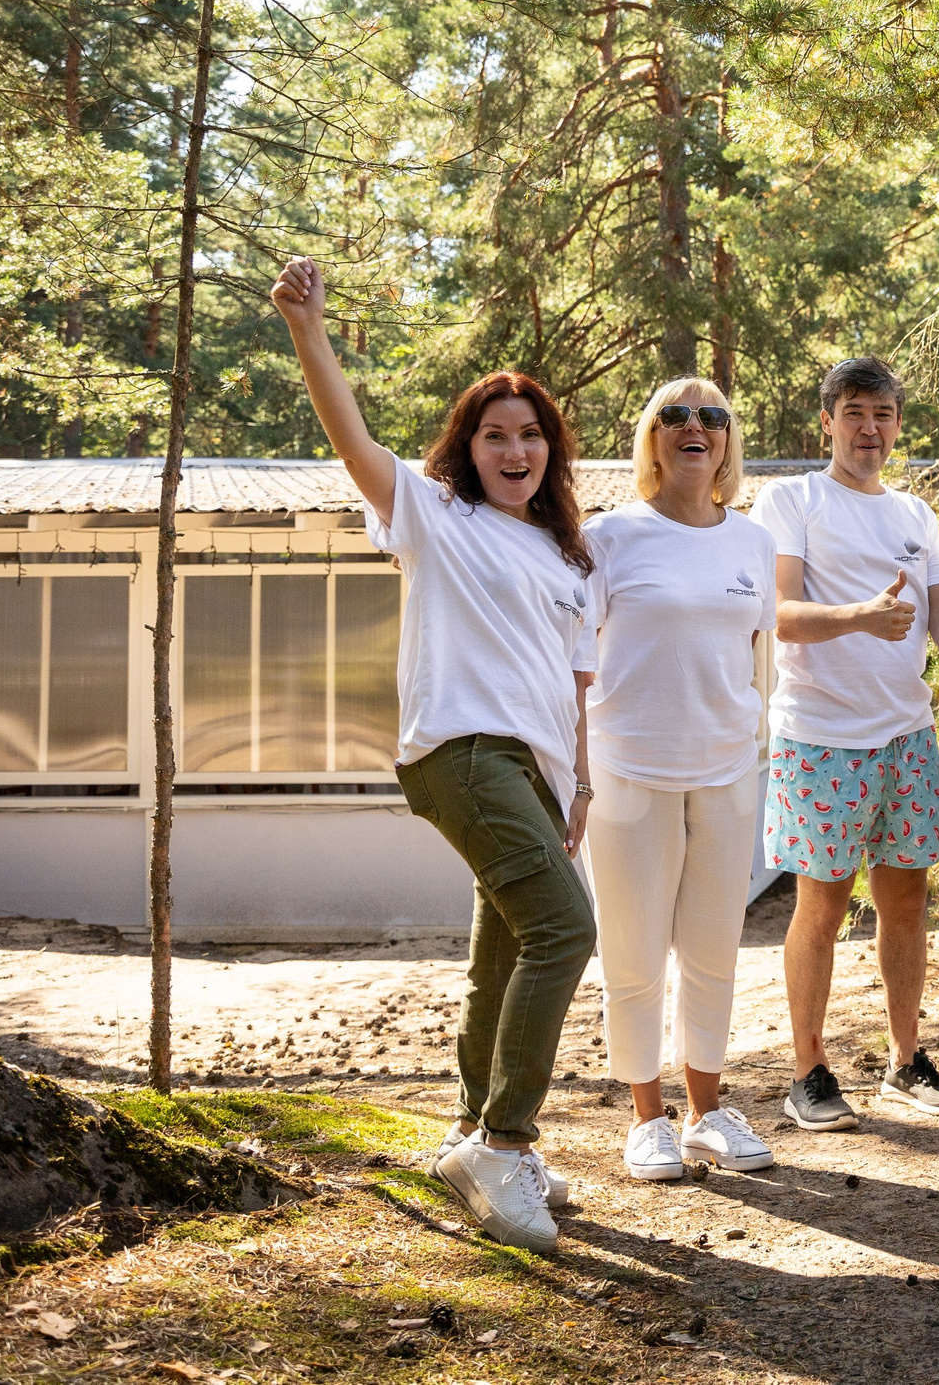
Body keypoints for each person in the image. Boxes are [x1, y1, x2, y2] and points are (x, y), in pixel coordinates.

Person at [269, 256, 595, 1253]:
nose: (515, 448)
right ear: (467, 448)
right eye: (494, 434)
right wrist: (308, 331)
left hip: (537, 774)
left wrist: (576, 791)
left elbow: (574, 688)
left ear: (550, 450)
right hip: (461, 752)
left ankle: (466, 1132)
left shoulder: (567, 555)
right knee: (565, 931)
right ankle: (504, 1142)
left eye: (530, 433)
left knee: (503, 953)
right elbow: (354, 442)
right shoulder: (436, 516)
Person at [754, 357, 939, 1130]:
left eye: (882, 413)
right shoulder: (792, 499)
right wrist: (856, 616)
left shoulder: (915, 515)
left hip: (904, 731)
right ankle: (808, 1069)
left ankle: (904, 1059)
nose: (868, 428)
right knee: (822, 903)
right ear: (827, 421)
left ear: (897, 424)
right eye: (853, 412)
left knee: (906, 901)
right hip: (820, 734)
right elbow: (776, 612)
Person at [583, 379, 780, 1181]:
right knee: (632, 955)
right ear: (651, 439)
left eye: (712, 417)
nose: (695, 427)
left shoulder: (753, 542)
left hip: (729, 771)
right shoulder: (608, 537)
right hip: (627, 770)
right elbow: (576, 657)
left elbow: (761, 653)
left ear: (728, 441)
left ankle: (705, 1112)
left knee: (714, 951)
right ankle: (647, 1118)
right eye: (675, 415)